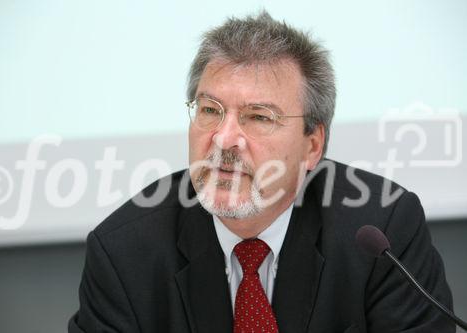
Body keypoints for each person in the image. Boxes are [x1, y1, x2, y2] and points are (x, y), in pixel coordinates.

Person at [69, 12, 454, 333]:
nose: (223, 138)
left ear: (313, 145)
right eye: (209, 110)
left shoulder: (381, 233)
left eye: (258, 117)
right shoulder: (124, 254)